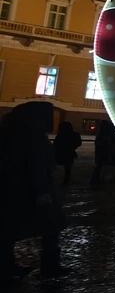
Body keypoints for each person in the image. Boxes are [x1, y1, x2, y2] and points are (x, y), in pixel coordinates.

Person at [0, 101, 69, 282]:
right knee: (51, 227)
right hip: (36, 190)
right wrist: (41, 190)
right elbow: (37, 165)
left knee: (10, 229)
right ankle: (50, 266)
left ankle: (7, 265)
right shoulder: (33, 137)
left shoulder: (14, 133)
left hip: (17, 190)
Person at [53, 121, 82, 187]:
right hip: (69, 152)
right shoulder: (74, 134)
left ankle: (63, 180)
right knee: (68, 167)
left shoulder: (61, 134)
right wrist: (72, 148)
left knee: (59, 166)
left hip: (61, 152)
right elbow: (79, 143)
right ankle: (66, 180)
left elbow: (56, 144)